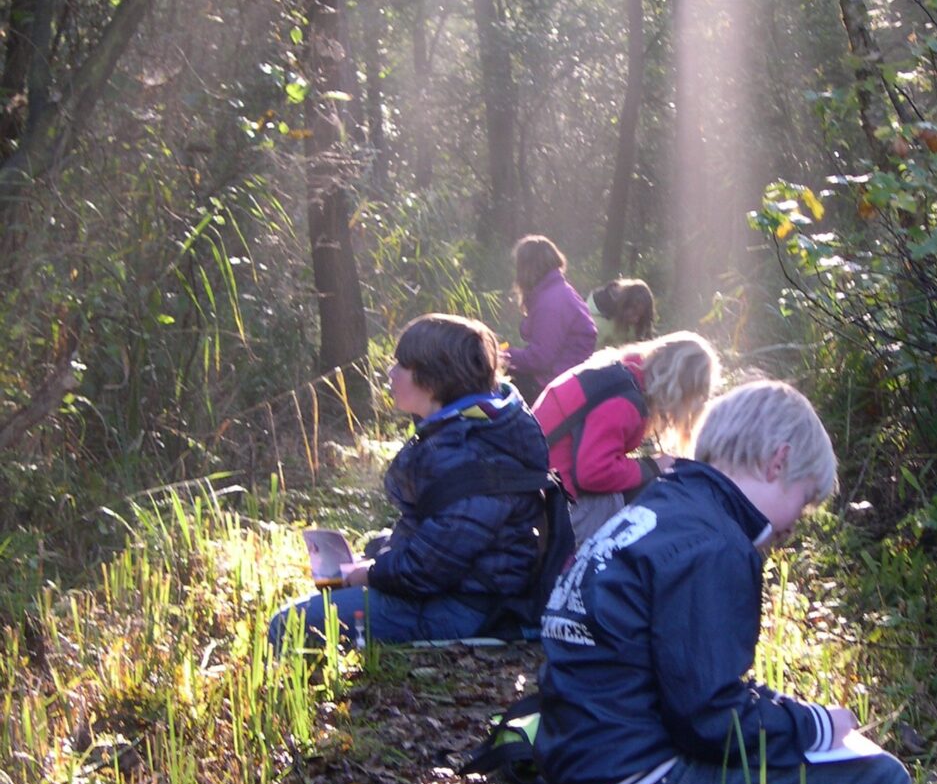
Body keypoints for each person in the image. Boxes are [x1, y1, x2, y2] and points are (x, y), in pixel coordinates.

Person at [535, 379, 912, 784]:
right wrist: (815, 727)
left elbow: (690, 685)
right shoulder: (713, 544)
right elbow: (710, 718)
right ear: (778, 462)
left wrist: (796, 716)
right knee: (881, 783)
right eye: (802, 502)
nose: (794, 526)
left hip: (584, 767)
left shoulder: (659, 510)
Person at [270, 314, 552, 651]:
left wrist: (368, 575)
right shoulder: (469, 430)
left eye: (400, 365)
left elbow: (428, 569)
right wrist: (376, 560)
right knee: (377, 544)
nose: (390, 373)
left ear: (431, 379)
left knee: (285, 625)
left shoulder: (469, 454)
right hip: (468, 585)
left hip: (467, 607)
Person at [532, 332, 719, 546]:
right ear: (683, 390)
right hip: (552, 506)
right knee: (656, 500)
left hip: (540, 483)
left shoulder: (618, 373)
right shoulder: (624, 401)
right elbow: (592, 472)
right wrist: (653, 465)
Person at [505, 235, 597, 401]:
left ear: (527, 268)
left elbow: (539, 359)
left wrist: (504, 355)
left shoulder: (552, 302)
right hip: (564, 378)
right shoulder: (557, 291)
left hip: (555, 385)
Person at [587, 278, 656, 347]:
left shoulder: (634, 326)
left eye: (641, 316)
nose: (636, 319)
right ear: (624, 305)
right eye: (634, 313)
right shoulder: (597, 326)